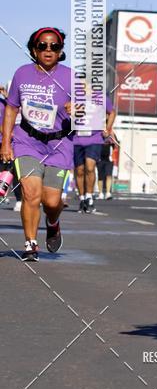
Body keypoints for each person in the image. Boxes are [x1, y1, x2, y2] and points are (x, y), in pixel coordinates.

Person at [0, 28, 74, 261]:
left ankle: (53, 221)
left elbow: (89, 115)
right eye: (42, 45)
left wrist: (78, 112)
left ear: (61, 51)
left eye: (54, 46)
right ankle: (30, 244)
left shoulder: (71, 77)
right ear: (34, 49)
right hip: (27, 141)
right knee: (31, 193)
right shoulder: (22, 74)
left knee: (51, 201)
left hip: (59, 144)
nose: (48, 50)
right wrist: (5, 143)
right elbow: (12, 109)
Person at [73, 92, 115, 212]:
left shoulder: (100, 97)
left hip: (94, 138)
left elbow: (112, 112)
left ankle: (89, 197)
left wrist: (108, 128)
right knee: (80, 170)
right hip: (77, 138)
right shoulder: (74, 96)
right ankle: (82, 198)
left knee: (90, 167)